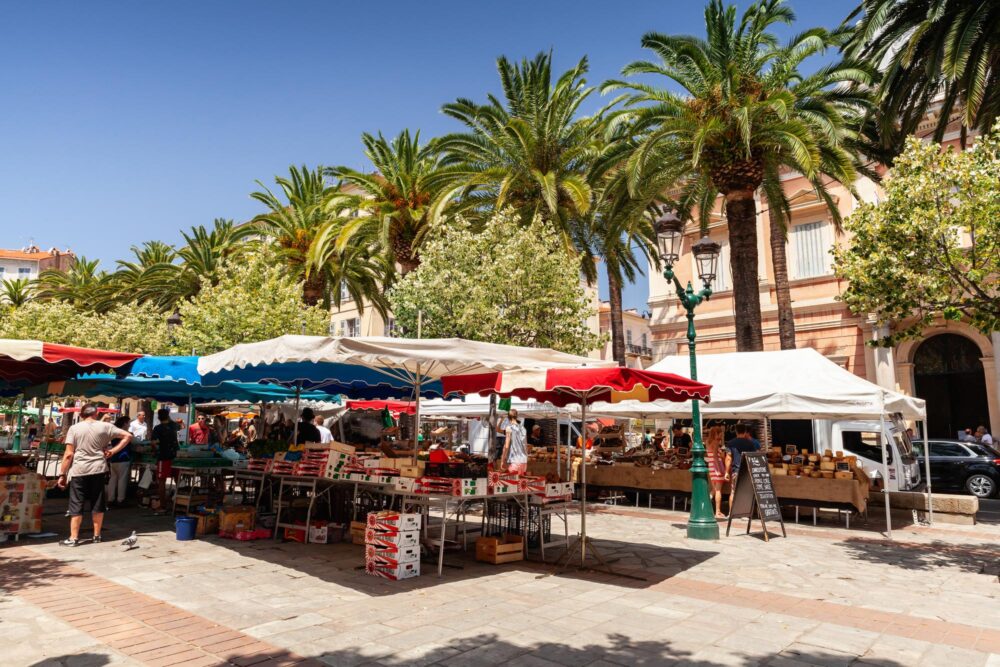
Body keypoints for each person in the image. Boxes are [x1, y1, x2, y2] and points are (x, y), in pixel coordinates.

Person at [56, 404, 132, 546]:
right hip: (98, 468)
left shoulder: (75, 428)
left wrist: (62, 474)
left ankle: (74, 538)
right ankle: (97, 535)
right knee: (97, 502)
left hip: (79, 470)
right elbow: (128, 436)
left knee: (76, 503)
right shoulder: (105, 426)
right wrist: (113, 451)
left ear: (81, 415)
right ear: (96, 414)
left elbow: (68, 454)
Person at [151, 408, 181, 506]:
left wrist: (155, 451)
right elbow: (179, 426)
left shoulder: (157, 428)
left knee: (161, 481)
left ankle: (162, 504)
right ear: (168, 416)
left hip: (163, 456)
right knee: (177, 479)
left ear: (159, 418)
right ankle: (179, 501)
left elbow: (154, 443)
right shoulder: (174, 426)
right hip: (175, 455)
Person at [105, 416, 133, 508]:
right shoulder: (126, 433)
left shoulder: (114, 432)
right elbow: (136, 442)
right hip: (123, 459)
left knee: (112, 479)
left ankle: (110, 499)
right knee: (122, 480)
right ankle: (121, 500)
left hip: (113, 459)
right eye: (128, 423)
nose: (129, 424)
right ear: (125, 423)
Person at [704, 425, 727, 519]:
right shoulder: (716, 442)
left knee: (713, 490)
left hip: (711, 466)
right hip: (716, 466)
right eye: (720, 433)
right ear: (717, 433)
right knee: (718, 490)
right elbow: (715, 456)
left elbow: (711, 455)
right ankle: (717, 512)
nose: (722, 435)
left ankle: (705, 507)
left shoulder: (707, 441)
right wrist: (719, 469)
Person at [501, 409, 528, 474]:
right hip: (524, 461)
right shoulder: (523, 428)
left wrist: (503, 459)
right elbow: (525, 444)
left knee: (510, 482)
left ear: (508, 417)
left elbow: (506, 446)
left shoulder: (509, 428)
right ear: (516, 416)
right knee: (519, 482)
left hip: (515, 460)